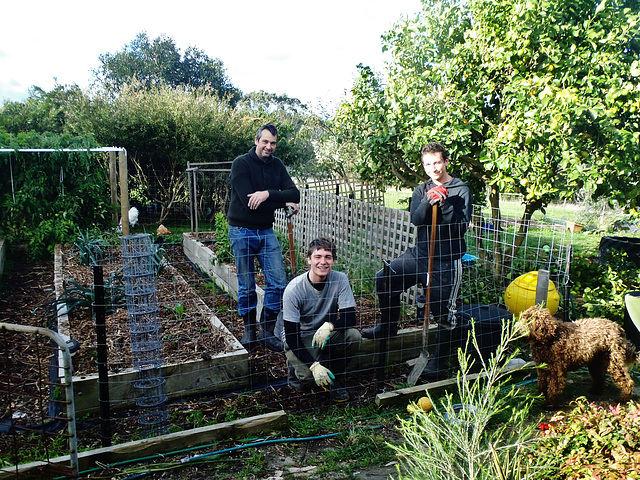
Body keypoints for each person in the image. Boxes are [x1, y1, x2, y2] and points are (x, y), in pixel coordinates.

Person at [361, 142, 472, 381]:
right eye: (428, 164)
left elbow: (461, 227)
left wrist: (445, 204)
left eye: (437, 162)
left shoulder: (460, 189)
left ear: (446, 162)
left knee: (444, 313)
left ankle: (439, 362)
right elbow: (417, 219)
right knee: (386, 278)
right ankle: (388, 326)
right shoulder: (422, 189)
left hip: (446, 259)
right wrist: (428, 201)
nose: (433, 168)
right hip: (421, 254)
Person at [227, 124, 300, 352]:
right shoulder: (241, 164)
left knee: (278, 282)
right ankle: (249, 331)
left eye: (273, 143)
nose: (269, 146)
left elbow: (295, 193)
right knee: (247, 285)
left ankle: (266, 331)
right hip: (242, 231)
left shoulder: (277, 166)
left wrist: (267, 193)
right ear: (257, 140)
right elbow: (250, 204)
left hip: (266, 232)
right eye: (265, 141)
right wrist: (281, 201)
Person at [282, 238, 361, 403]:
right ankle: (299, 367)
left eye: (328, 257)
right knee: (309, 380)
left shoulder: (340, 279)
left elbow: (350, 318)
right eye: (318, 257)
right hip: (301, 337)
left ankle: (334, 379)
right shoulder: (294, 289)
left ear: (333, 260)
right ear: (309, 259)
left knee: (353, 336)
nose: (323, 262)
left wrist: (331, 325)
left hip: (325, 333)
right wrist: (313, 365)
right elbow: (291, 336)